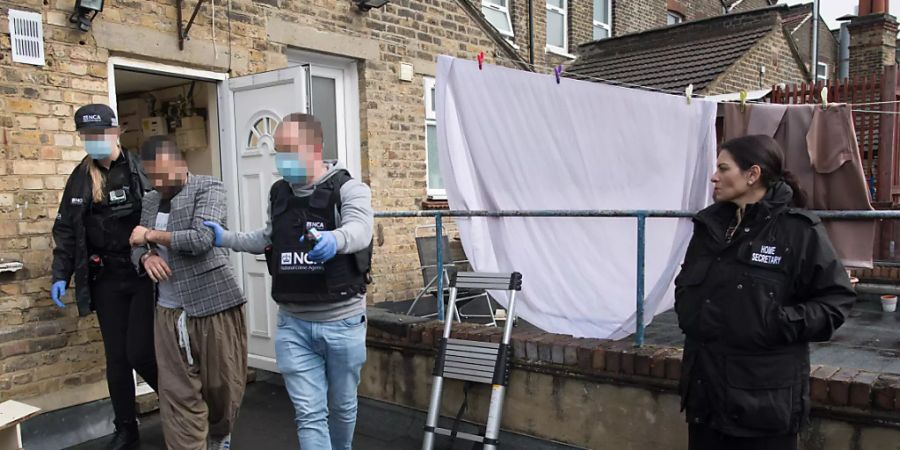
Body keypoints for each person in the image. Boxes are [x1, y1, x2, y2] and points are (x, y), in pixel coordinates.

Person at [674, 135, 856, 450]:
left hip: (763, 405)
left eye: (723, 168)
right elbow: (686, 286)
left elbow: (835, 302)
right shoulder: (709, 228)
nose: (714, 176)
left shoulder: (798, 231)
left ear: (752, 174)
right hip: (706, 400)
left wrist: (772, 323)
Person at [203, 113, 373, 449]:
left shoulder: (349, 188)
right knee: (309, 415)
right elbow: (268, 238)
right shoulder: (279, 192)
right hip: (292, 324)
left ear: (316, 148)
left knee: (342, 407)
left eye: (289, 149)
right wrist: (226, 238)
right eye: (279, 150)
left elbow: (360, 230)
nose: (282, 158)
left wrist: (334, 240)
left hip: (342, 322)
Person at [129, 137, 247, 450]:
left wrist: (151, 235)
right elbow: (136, 243)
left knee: (221, 387)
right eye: (152, 177)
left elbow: (201, 239)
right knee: (178, 395)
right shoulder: (151, 200)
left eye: (162, 175)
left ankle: (220, 433)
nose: (158, 183)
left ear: (180, 164)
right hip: (168, 311)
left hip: (213, 305)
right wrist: (145, 255)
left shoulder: (209, 188)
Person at [50, 104, 157, 449]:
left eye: (98, 134)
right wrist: (60, 274)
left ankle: (181, 404)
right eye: (86, 136)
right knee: (117, 358)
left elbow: (162, 215)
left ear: (115, 132)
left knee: (140, 352)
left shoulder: (139, 169)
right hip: (106, 277)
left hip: (142, 274)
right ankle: (127, 428)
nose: (93, 141)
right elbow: (66, 229)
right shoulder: (80, 177)